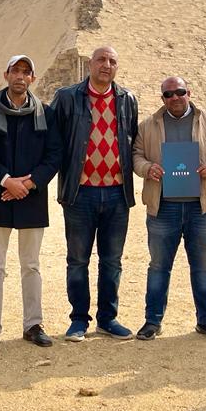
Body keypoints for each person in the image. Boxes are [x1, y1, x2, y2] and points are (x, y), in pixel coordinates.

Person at [132, 76, 206, 341]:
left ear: (189, 92)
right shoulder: (148, 126)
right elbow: (136, 156)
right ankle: (152, 321)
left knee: (203, 266)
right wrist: (147, 168)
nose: (175, 98)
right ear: (162, 98)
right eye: (168, 94)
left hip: (201, 207)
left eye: (179, 92)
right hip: (163, 207)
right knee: (158, 267)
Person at [51, 46, 139, 341]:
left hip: (116, 193)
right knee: (78, 260)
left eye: (112, 61)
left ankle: (107, 319)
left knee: (112, 261)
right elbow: (54, 141)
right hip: (80, 193)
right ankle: (78, 320)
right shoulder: (67, 97)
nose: (106, 65)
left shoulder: (127, 99)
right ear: (90, 64)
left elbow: (132, 140)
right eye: (101, 59)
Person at [0, 55, 62, 350]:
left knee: (31, 265)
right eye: (16, 71)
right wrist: (6, 181)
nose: (20, 76)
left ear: (32, 78)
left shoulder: (45, 113)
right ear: (6, 74)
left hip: (31, 197)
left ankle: (33, 324)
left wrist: (28, 183)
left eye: (26, 72)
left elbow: (54, 155)